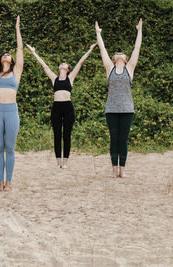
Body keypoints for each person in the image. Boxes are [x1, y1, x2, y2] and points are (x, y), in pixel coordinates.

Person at [27, 42, 97, 168]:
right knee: (57, 135)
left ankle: (65, 162)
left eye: (65, 64)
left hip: (68, 107)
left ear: (68, 69)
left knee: (67, 135)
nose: (63, 64)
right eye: (61, 64)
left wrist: (90, 49)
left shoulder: (71, 78)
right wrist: (33, 52)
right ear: (59, 68)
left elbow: (80, 62)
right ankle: (58, 162)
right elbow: (43, 65)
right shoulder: (54, 78)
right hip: (56, 108)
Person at [95, 18, 143, 178]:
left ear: (126, 59)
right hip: (111, 110)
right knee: (114, 139)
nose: (120, 53)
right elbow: (102, 50)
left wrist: (139, 31)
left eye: (123, 53)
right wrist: (98, 33)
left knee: (123, 140)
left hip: (127, 110)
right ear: (115, 59)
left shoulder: (130, 68)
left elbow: (137, 48)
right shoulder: (110, 69)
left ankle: (122, 169)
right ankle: (114, 169)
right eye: (117, 54)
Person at [0, 15, 23, 191]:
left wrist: (17, 29)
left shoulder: (16, 72)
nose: (7, 55)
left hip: (11, 111)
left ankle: (8, 181)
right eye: (5, 54)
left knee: (10, 147)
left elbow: (20, 49)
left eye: (9, 55)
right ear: (1, 59)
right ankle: (0, 181)